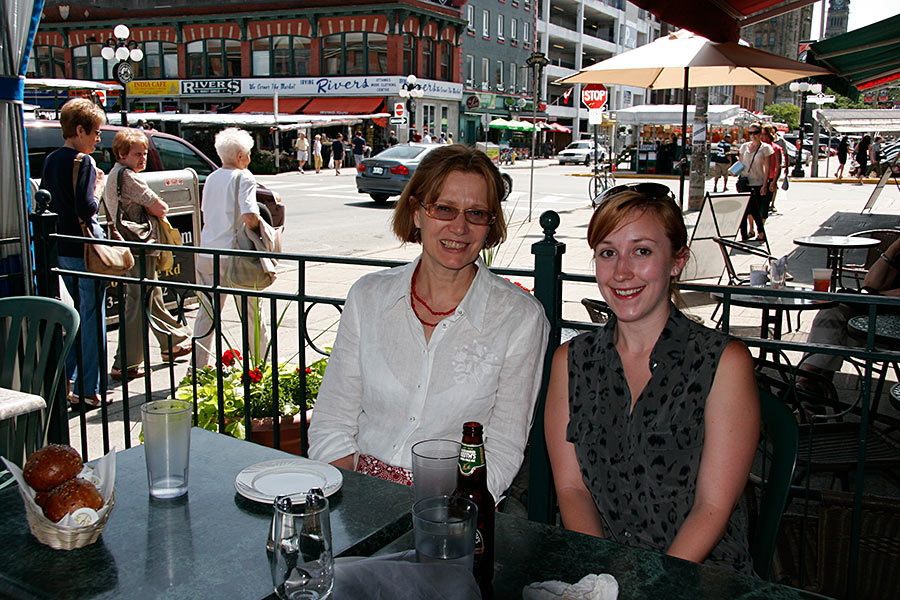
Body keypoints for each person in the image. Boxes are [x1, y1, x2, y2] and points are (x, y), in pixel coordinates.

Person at [308, 144, 550, 501]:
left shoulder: (519, 318)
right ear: (417, 212)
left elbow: (502, 450)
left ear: (490, 225)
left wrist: (446, 517)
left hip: (452, 508)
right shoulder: (368, 297)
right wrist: (356, 504)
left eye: (477, 213)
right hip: (358, 493)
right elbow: (332, 422)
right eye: (444, 208)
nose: (460, 227)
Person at [544, 183, 760, 574]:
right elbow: (572, 490)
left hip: (698, 574)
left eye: (641, 251)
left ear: (677, 261)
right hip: (601, 569)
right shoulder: (571, 361)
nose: (622, 272)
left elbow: (712, 507)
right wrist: (601, 578)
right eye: (608, 253)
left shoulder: (723, 362)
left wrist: (652, 588)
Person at [40, 98, 110, 407]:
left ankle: (65, 383)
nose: (98, 138)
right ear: (79, 130)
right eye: (95, 131)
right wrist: (97, 187)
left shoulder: (52, 159)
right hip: (85, 249)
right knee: (93, 319)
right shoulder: (85, 163)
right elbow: (87, 207)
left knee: (73, 318)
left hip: (62, 249)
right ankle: (89, 387)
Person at [106, 129, 191, 381]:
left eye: (145, 153)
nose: (143, 158)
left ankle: (171, 343)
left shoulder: (115, 174)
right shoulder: (128, 176)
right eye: (137, 154)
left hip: (130, 246)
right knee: (139, 300)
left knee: (149, 296)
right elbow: (159, 206)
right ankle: (126, 362)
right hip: (139, 246)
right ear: (122, 154)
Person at [191, 128, 268, 369]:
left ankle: (197, 367)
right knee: (252, 313)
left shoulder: (212, 178)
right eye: (248, 154)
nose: (250, 158)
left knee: (207, 313)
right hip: (232, 255)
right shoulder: (244, 177)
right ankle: (260, 366)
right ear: (239, 155)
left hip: (206, 252)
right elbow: (249, 214)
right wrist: (260, 228)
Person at [801, 236, 900, 389]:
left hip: (892, 331)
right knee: (832, 313)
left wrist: (880, 295)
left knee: (832, 336)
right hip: (875, 319)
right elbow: (870, 284)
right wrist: (893, 249)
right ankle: (809, 381)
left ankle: (808, 387)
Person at [738, 123, 772, 242]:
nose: (753, 136)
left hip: (757, 182)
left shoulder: (765, 148)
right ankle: (744, 235)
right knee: (744, 211)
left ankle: (761, 232)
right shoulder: (744, 147)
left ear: (760, 133)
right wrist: (733, 171)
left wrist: (765, 184)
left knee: (755, 211)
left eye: (755, 133)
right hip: (744, 182)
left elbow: (767, 168)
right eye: (750, 133)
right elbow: (741, 163)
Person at [761, 125, 783, 214]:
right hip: (758, 177)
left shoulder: (775, 148)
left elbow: (778, 166)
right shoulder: (757, 146)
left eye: (765, 134)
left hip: (769, 177)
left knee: (764, 204)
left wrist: (774, 181)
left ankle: (771, 205)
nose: (762, 137)